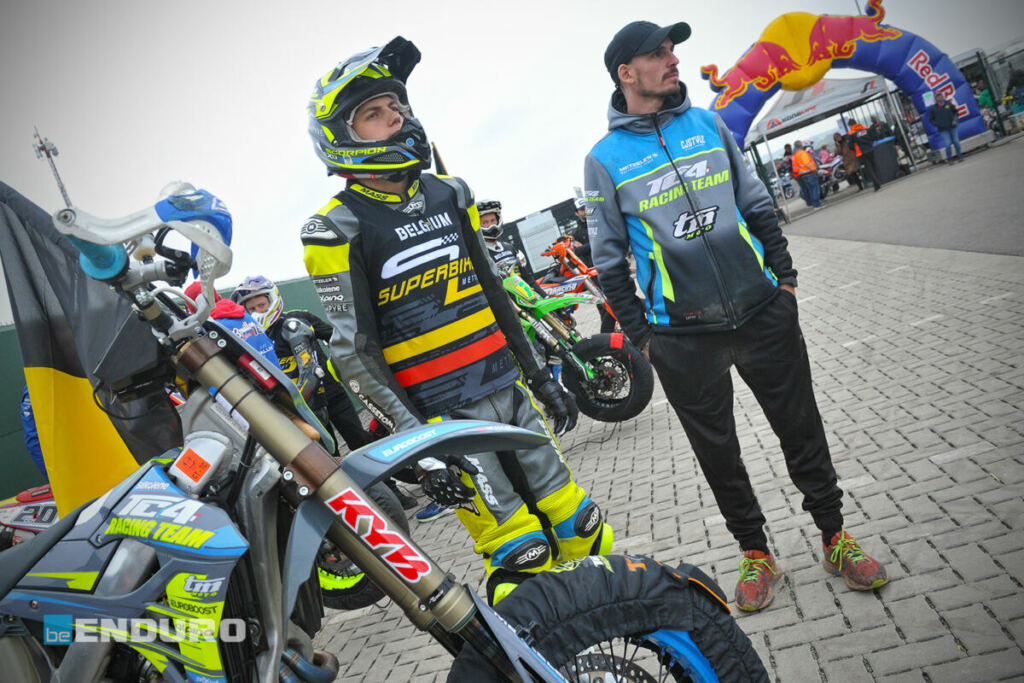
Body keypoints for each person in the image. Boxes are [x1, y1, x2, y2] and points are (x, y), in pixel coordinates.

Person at [586, 20, 888, 612]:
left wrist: (786, 282)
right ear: (627, 73)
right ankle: (755, 552)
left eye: (673, 50)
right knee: (718, 453)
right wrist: (646, 339)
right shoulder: (604, 159)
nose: (673, 60)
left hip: (762, 311)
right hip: (681, 337)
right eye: (659, 53)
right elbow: (608, 261)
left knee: (801, 429)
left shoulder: (708, 124)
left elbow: (755, 203)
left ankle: (835, 537)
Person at [300, 37, 610, 604]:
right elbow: (352, 353)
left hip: (509, 390)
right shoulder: (335, 227)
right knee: (521, 554)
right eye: (374, 113)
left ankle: (607, 616)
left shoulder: (451, 192)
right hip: (443, 418)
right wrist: (418, 447)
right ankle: (541, 643)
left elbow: (494, 291)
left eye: (396, 106)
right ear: (340, 135)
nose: (395, 118)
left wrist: (540, 377)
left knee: (582, 527)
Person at [846, 118, 882, 191]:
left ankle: (876, 184)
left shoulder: (851, 133)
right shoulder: (866, 128)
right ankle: (879, 181)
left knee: (868, 169)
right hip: (871, 150)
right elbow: (873, 137)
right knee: (874, 166)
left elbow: (850, 146)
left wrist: (855, 151)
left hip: (861, 153)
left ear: (850, 125)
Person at [927, 92, 962, 163]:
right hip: (943, 129)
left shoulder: (948, 103)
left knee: (956, 141)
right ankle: (949, 158)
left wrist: (955, 120)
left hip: (953, 126)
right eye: (937, 96)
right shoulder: (933, 108)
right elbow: (931, 119)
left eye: (940, 95)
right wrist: (937, 124)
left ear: (942, 96)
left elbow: (955, 112)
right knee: (948, 143)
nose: (939, 97)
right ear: (935, 98)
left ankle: (959, 156)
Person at [791, 140, 822, 210]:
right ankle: (817, 205)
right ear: (801, 145)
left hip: (803, 174)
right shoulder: (802, 153)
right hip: (809, 173)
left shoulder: (796, 154)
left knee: (811, 190)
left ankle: (814, 205)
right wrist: (814, 169)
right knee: (815, 189)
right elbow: (807, 163)